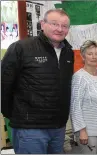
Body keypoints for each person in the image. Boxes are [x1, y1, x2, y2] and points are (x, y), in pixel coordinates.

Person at [1, 9, 73, 154]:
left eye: (64, 26)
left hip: (58, 127)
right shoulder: (21, 48)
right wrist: (15, 115)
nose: (59, 29)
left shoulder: (68, 52)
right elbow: (4, 85)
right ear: (42, 24)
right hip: (30, 128)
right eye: (54, 24)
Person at [70, 41, 97, 154]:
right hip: (88, 129)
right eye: (90, 53)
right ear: (83, 56)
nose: (94, 57)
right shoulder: (79, 77)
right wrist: (82, 130)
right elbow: (75, 106)